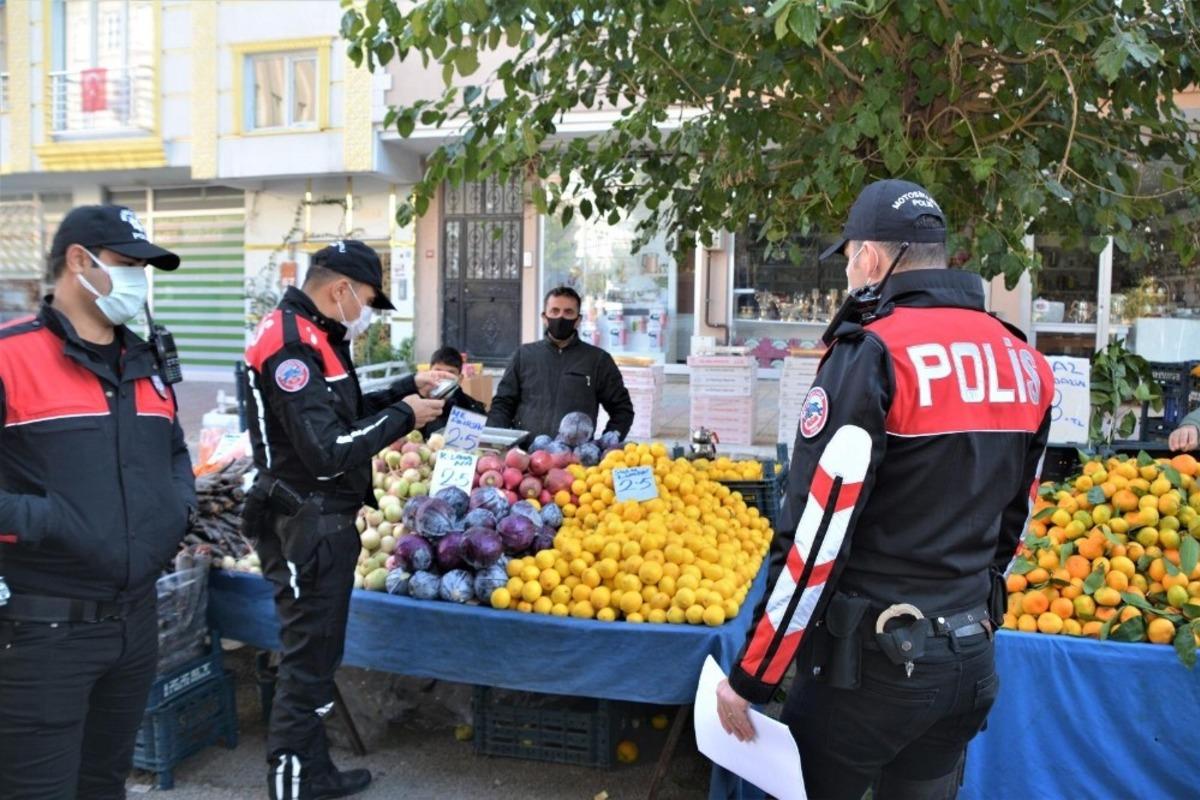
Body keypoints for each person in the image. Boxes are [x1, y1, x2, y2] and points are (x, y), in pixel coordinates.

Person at [715, 179, 1055, 800]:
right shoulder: (1024, 361)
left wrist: (752, 677)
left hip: (869, 669)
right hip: (969, 655)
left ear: (871, 258)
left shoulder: (872, 352)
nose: (847, 269)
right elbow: (1018, 517)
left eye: (849, 256)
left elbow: (817, 538)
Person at [241, 240, 451, 800]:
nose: (363, 313)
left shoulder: (317, 337)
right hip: (302, 521)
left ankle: (315, 773)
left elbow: (344, 409)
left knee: (320, 652)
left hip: (324, 521)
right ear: (340, 290)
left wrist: (407, 387)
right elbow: (328, 449)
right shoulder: (291, 345)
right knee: (307, 657)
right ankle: (289, 783)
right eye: (363, 299)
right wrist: (405, 416)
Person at [0, 205, 196, 798]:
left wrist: (176, 509)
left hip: (134, 624)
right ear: (79, 262)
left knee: (104, 784)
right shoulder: (11, 356)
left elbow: (174, 451)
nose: (139, 277)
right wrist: (49, 521)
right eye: (127, 263)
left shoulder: (146, 358)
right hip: (42, 632)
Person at [486, 286, 634, 442]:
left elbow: (622, 409)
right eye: (554, 311)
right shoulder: (524, 356)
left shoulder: (598, 360)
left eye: (568, 312)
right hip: (525, 456)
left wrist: (607, 442)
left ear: (578, 320)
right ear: (544, 317)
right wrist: (494, 442)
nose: (561, 317)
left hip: (575, 459)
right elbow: (503, 404)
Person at [419, 346, 488, 438]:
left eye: (450, 373)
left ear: (460, 379)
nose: (443, 377)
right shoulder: (416, 403)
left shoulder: (471, 407)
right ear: (429, 373)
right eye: (438, 371)